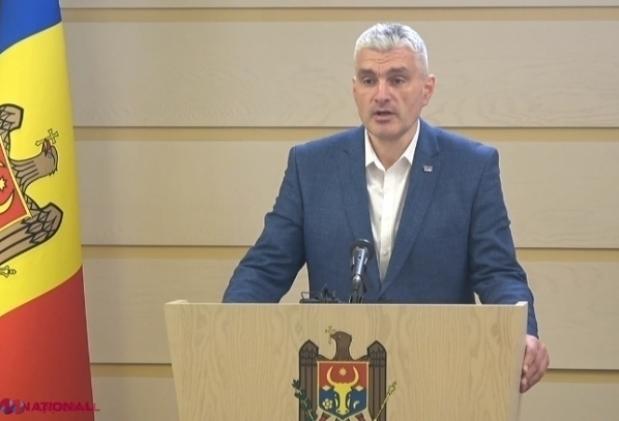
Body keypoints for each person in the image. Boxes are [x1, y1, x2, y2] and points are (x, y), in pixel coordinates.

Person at [222, 22, 549, 392]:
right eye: (368, 80)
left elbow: (497, 272)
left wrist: (523, 335)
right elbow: (266, 267)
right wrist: (228, 328)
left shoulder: (471, 167)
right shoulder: (311, 166)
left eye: (397, 80)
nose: (381, 94)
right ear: (355, 90)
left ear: (427, 89)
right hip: (341, 385)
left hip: (440, 376)